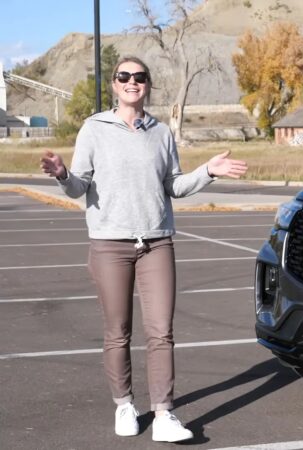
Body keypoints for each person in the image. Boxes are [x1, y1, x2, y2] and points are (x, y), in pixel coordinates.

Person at [40, 56, 247, 442]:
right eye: (124, 76)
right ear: (114, 85)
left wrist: (208, 172)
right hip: (109, 244)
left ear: (147, 84)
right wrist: (63, 174)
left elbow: (174, 186)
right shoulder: (94, 128)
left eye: (139, 76)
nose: (132, 81)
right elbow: (79, 187)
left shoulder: (160, 132)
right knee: (118, 332)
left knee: (161, 332)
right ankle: (124, 404)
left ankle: (165, 414)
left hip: (157, 242)